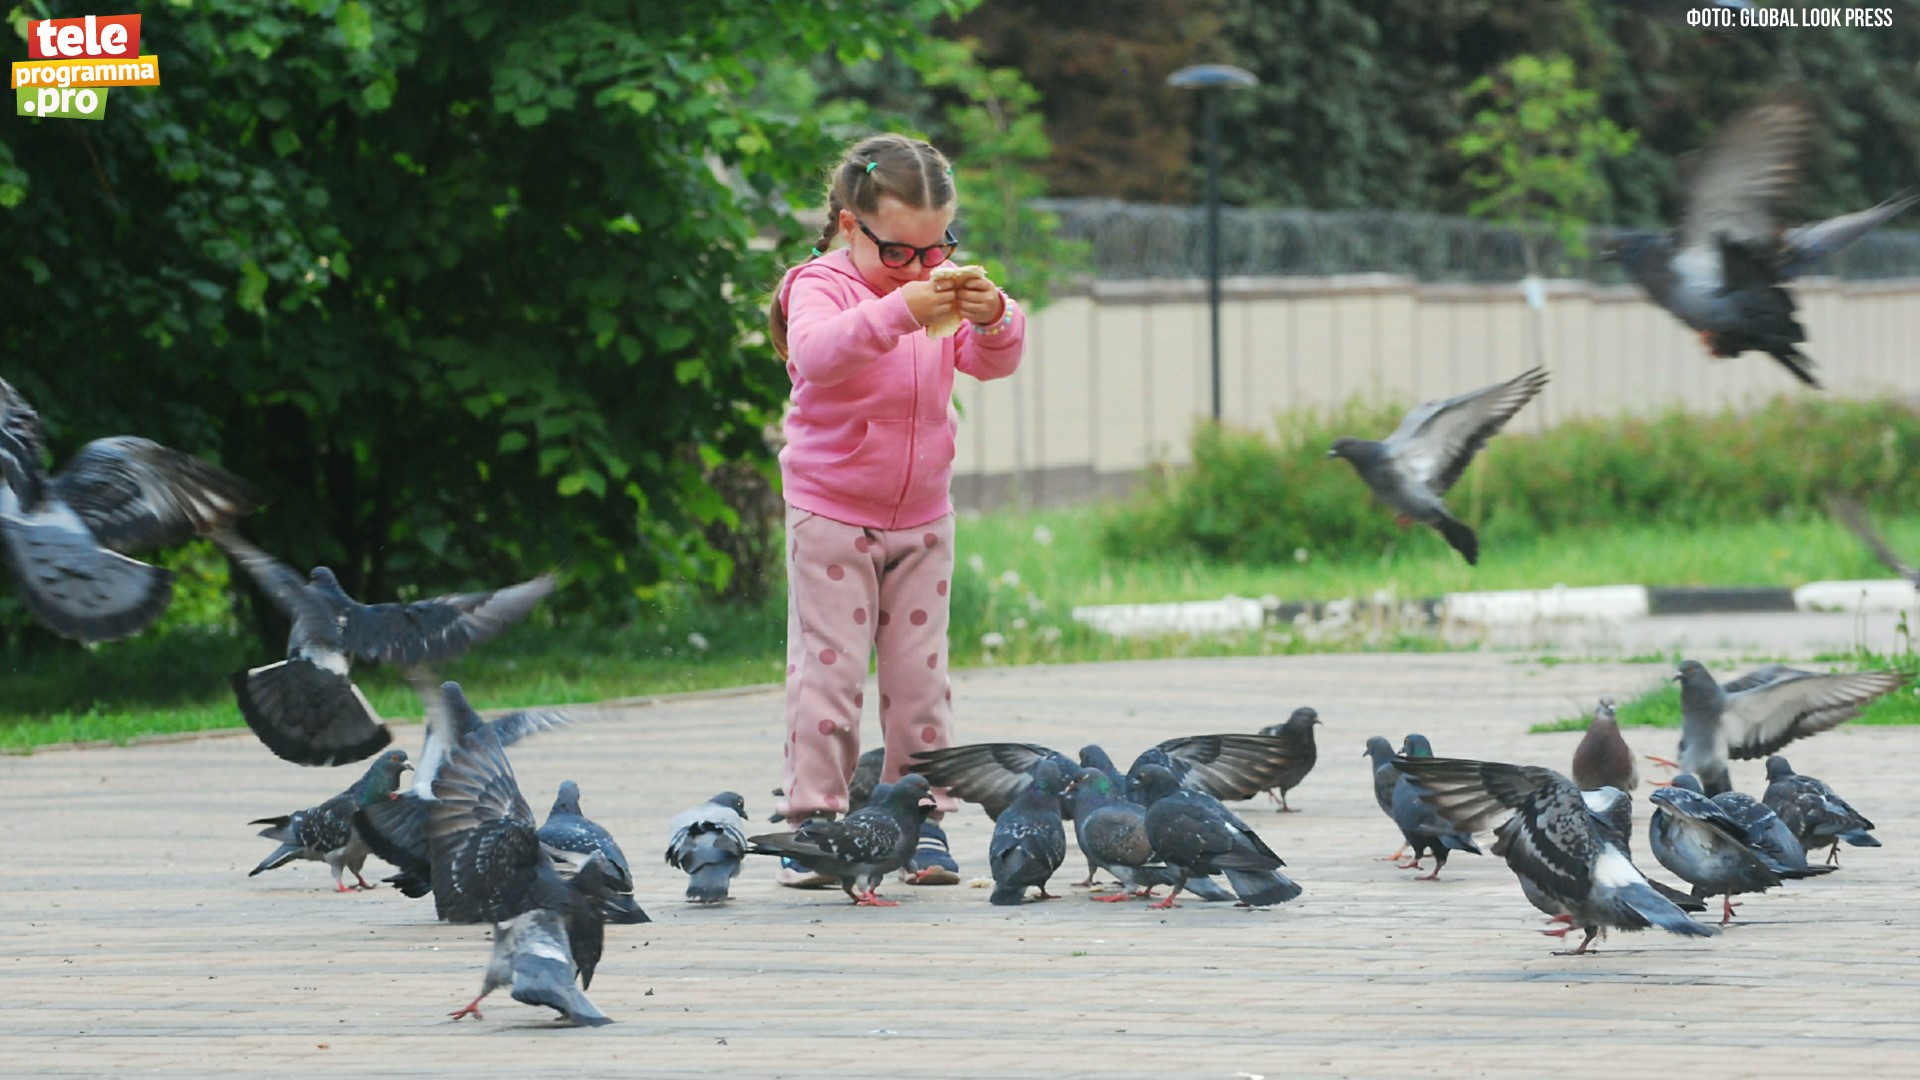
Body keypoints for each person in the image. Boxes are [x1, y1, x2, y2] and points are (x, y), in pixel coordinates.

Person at [766, 133, 1026, 887]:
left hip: (922, 516)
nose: (923, 268)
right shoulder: (822, 285)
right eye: (900, 253)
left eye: (938, 247)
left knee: (920, 682)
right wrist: (903, 309)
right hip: (832, 514)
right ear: (851, 225)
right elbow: (818, 355)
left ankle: (923, 819)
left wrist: (995, 315)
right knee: (829, 677)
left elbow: (991, 362)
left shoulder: (931, 282)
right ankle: (813, 824)